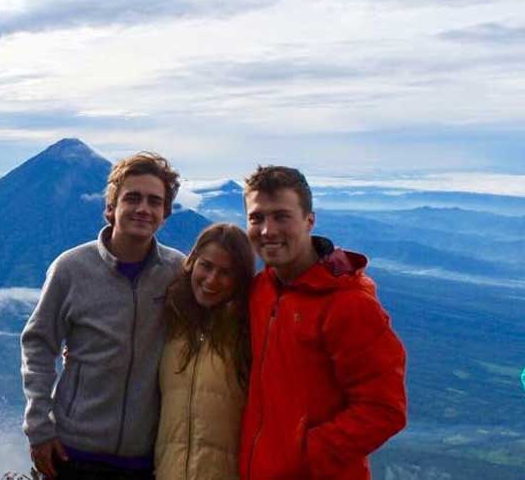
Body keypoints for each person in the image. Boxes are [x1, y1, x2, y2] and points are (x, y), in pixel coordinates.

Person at [21, 152, 184, 480]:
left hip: (146, 458)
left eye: (154, 201)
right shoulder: (71, 269)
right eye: (132, 198)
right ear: (111, 208)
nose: (143, 208)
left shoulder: (178, 273)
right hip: (73, 452)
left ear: (165, 214)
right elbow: (38, 345)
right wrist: (39, 427)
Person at [240, 165, 407, 480]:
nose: (267, 230)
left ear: (309, 221)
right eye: (256, 218)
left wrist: (305, 455)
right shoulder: (261, 289)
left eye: (281, 216)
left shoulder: (350, 304)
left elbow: (385, 409)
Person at [154, 223, 255, 480]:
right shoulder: (171, 321)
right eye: (206, 266)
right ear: (192, 263)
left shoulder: (249, 334)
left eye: (225, 273)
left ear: (240, 280)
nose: (211, 280)